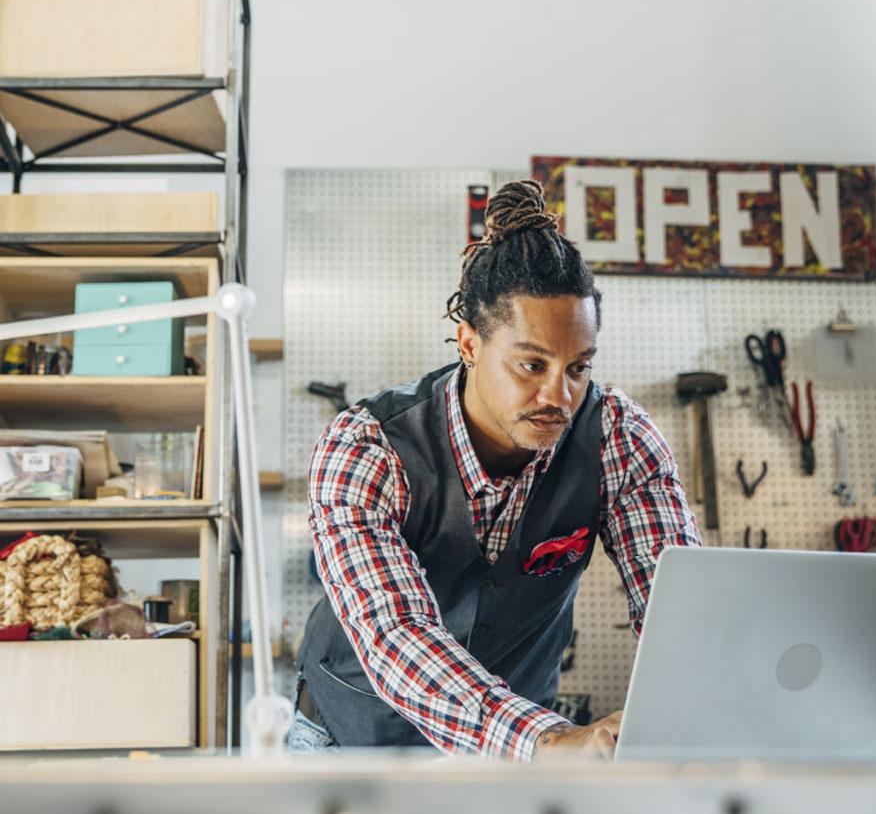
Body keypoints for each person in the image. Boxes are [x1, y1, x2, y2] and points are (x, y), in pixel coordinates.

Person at [291, 179, 701, 760]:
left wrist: (699, 703)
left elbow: (677, 602)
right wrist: (546, 740)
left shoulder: (617, 438)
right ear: (469, 343)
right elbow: (395, 633)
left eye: (579, 367)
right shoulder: (366, 448)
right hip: (354, 742)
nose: (558, 395)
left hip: (521, 754)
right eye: (531, 364)